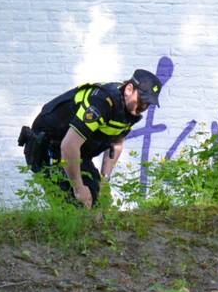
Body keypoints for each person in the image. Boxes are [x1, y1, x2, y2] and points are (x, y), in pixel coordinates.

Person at [18, 69, 163, 208]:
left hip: (76, 153)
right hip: (48, 147)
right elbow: (68, 146)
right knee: (74, 206)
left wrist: (104, 180)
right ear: (129, 89)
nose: (144, 106)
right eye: (142, 100)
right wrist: (78, 188)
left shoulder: (130, 111)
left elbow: (117, 143)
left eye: (148, 103)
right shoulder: (101, 103)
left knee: (97, 202)